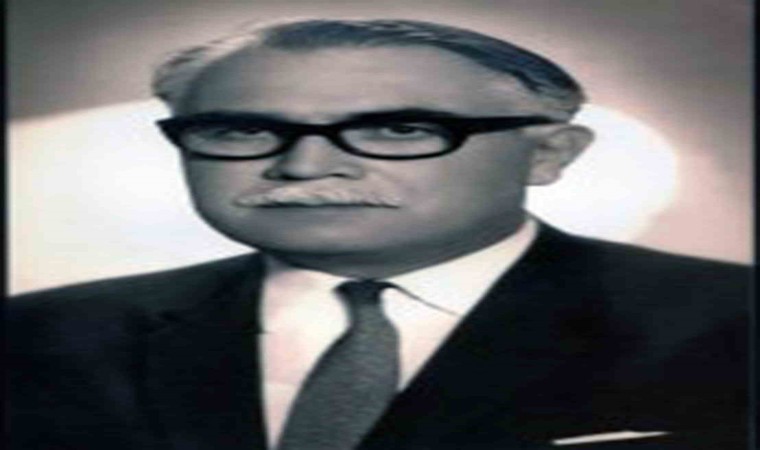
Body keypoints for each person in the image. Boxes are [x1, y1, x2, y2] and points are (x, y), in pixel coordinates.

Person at [8, 18, 749, 450]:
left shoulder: (731, 320)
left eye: (400, 130)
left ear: (549, 155)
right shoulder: (41, 336)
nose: (304, 166)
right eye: (240, 131)